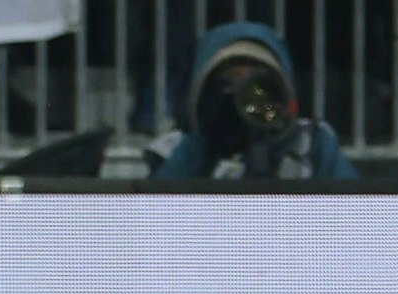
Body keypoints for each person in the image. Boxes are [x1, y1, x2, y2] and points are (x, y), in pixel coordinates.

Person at [147, 21, 357, 178]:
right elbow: (156, 218)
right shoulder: (173, 148)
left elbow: (355, 217)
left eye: (258, 83)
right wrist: (206, 141)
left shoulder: (314, 146)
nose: (246, 96)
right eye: (229, 81)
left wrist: (275, 140)